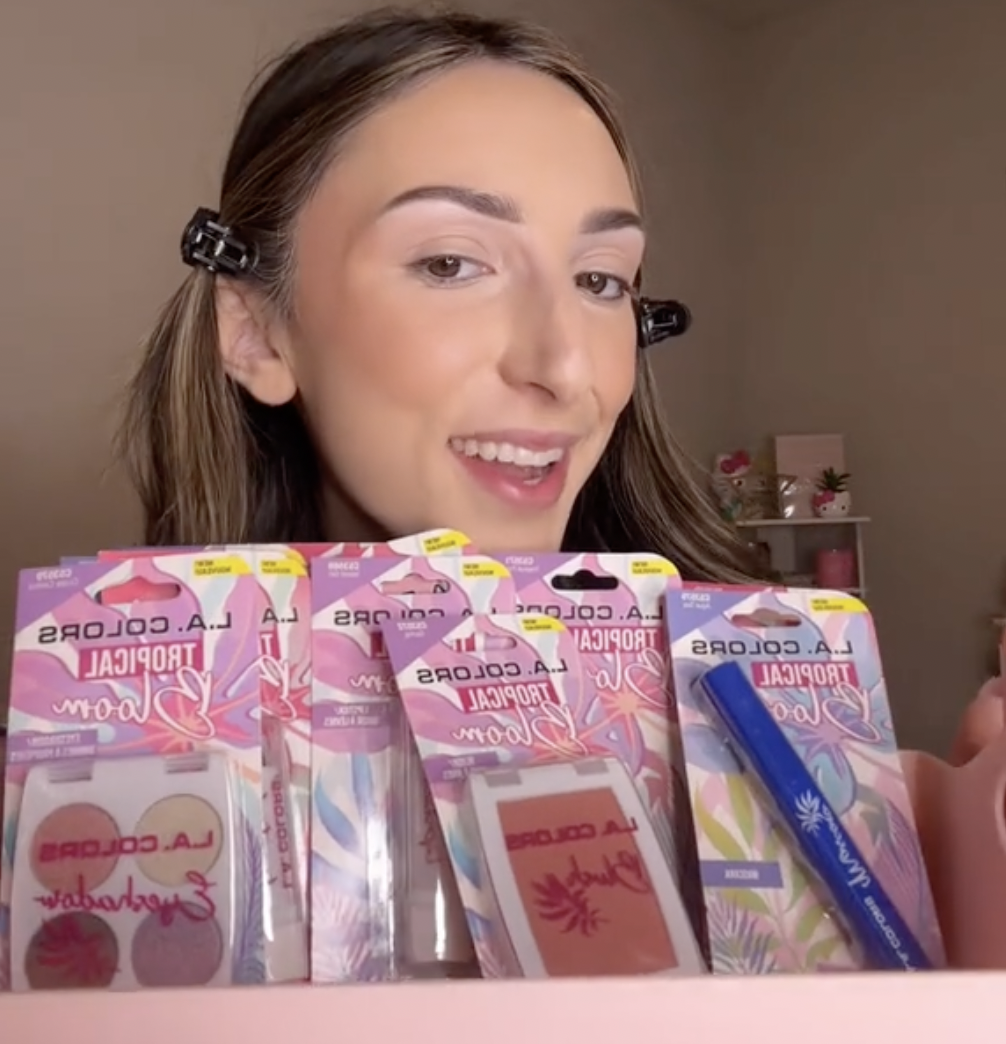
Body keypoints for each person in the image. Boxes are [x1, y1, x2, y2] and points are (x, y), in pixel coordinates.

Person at [118, 6, 758, 581]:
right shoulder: (135, 703)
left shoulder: (764, 687)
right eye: (450, 264)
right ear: (255, 332)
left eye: (600, 280)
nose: (566, 368)